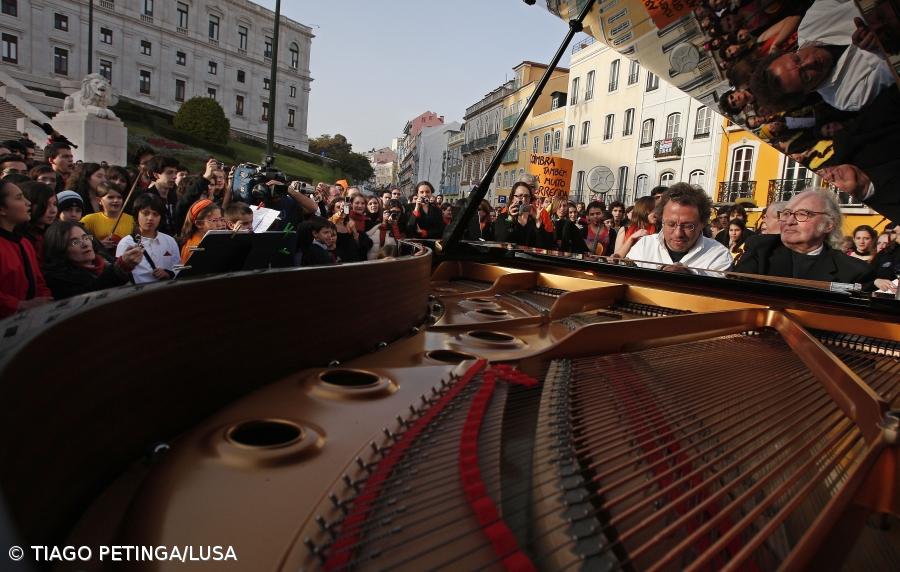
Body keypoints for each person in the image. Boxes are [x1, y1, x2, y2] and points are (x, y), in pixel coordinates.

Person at [750, 3, 894, 113]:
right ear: (807, 92)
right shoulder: (846, 97)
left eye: (797, 59)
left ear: (788, 51)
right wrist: (879, 49)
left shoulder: (809, 25)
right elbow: (892, 72)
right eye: (805, 76)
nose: (811, 62)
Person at [734, 189, 874, 284]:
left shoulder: (853, 272)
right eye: (786, 213)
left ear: (828, 224)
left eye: (802, 214)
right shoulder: (761, 250)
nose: (789, 221)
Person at [627, 183, 733, 272]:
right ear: (661, 220)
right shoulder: (644, 246)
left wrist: (690, 277)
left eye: (688, 226)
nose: (678, 233)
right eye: (671, 224)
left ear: (702, 223)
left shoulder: (718, 255)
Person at [42, 221, 141, 299]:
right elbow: (89, 295)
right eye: (75, 242)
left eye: (86, 237)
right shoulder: (58, 279)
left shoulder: (107, 262)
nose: (85, 244)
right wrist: (120, 268)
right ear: (60, 249)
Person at [0, 179, 52, 317]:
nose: (27, 203)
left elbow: (38, 281)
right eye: (18, 198)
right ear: (2, 209)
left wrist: (45, 300)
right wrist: (19, 305)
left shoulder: (24, 243)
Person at [116, 193, 180, 284]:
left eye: (155, 214)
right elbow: (121, 275)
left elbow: (178, 266)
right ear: (136, 214)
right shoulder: (126, 243)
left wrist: (169, 274)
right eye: (145, 213)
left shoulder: (169, 241)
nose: (150, 218)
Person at [80, 183, 135, 252]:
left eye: (119, 197)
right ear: (99, 200)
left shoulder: (132, 220)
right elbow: (77, 241)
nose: (116, 200)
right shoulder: (89, 220)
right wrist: (98, 243)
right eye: (110, 197)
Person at [495, 182, 546, 247]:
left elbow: (543, 246)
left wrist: (538, 222)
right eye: (520, 196)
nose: (524, 199)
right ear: (513, 198)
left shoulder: (533, 219)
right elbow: (501, 240)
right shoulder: (503, 217)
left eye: (527, 196)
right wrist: (510, 217)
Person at [18, 181, 58, 264]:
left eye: (55, 204)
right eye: (46, 204)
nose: (53, 210)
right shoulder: (20, 238)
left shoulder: (56, 232)